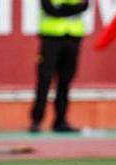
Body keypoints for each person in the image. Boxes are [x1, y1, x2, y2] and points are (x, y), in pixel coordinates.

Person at [30, 0, 88, 133]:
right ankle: (37, 120)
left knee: (65, 79)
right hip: (51, 36)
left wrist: (62, 9)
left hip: (73, 37)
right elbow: (49, 8)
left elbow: (84, 6)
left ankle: (61, 120)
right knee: (45, 79)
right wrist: (71, 9)